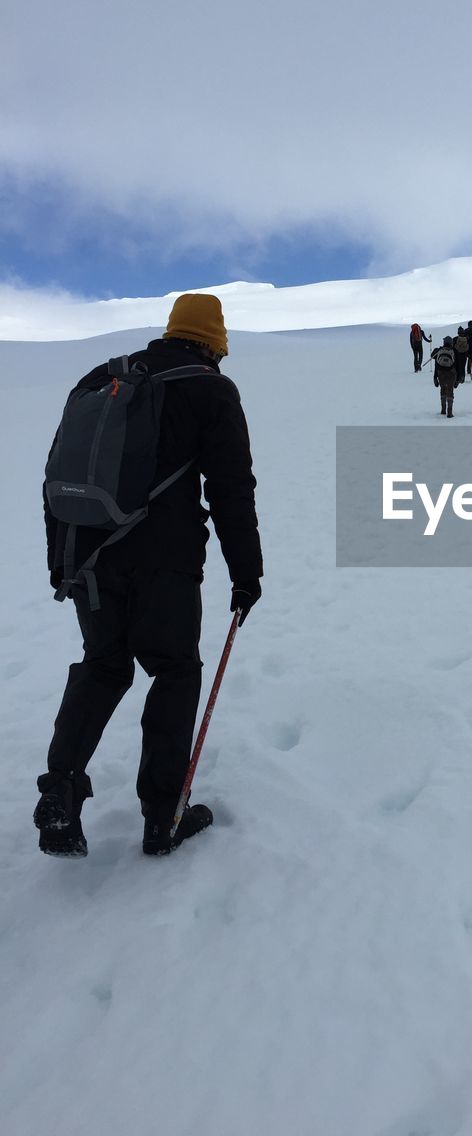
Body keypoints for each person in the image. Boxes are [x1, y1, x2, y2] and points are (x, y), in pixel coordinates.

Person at [34, 294, 263, 858]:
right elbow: (231, 489)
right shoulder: (211, 389)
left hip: (89, 555)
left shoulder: (101, 378)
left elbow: (56, 474)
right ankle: (163, 817)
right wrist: (246, 571)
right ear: (215, 342)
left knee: (104, 666)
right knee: (174, 671)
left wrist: (61, 559)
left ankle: (60, 790)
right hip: (166, 560)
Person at [431, 336, 458, 418]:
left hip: (440, 373)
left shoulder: (439, 350)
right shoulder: (454, 351)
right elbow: (458, 364)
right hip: (451, 373)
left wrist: (435, 377)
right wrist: (457, 378)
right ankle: (449, 412)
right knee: (450, 390)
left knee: (443, 389)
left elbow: (432, 356)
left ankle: (443, 410)